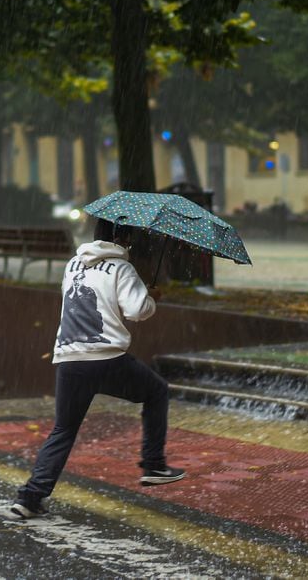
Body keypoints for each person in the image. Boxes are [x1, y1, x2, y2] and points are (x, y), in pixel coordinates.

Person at [11, 218, 185, 519]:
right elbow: (136, 311)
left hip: (68, 358)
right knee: (156, 391)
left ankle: (29, 498)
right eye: (128, 238)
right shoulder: (122, 269)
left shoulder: (73, 265)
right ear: (121, 238)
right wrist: (150, 298)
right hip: (105, 357)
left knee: (63, 429)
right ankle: (154, 465)